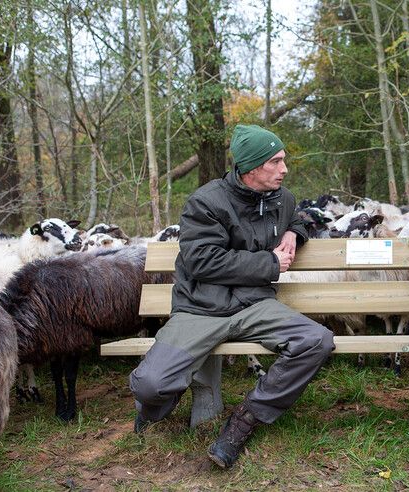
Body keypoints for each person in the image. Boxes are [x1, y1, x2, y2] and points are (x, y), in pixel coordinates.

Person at [129, 124, 335, 469]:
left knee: (316, 341)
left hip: (255, 306)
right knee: (151, 385)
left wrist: (294, 232)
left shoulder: (281, 199)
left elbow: (299, 218)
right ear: (252, 167)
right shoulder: (205, 202)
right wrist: (269, 262)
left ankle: (245, 420)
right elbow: (201, 261)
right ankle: (152, 408)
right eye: (276, 161)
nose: (284, 169)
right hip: (201, 309)